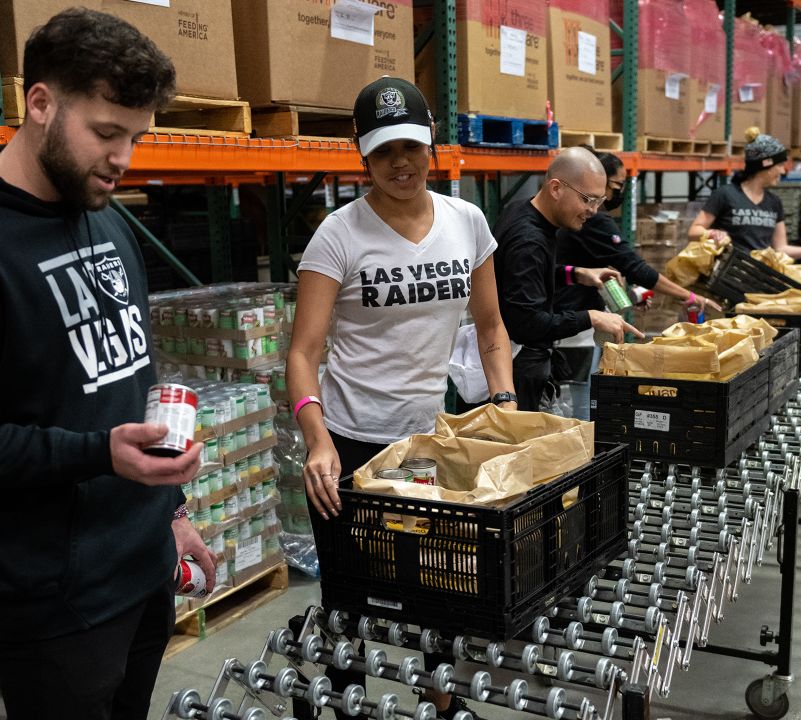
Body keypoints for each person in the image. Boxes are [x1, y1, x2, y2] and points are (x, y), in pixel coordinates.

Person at [0, 10, 213, 719]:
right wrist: (97, 455)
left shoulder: (105, 218)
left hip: (143, 565)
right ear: (39, 104)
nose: (123, 158)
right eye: (105, 132)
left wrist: (171, 512)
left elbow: (126, 383)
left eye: (136, 137)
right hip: (54, 603)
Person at [286, 76, 515, 719]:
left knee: (439, 582)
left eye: (411, 146)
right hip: (353, 443)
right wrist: (318, 441)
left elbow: (491, 326)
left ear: (430, 144)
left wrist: (502, 402)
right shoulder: (338, 236)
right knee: (354, 594)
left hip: (428, 440)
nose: (401, 164)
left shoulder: (467, 222)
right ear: (362, 153)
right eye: (385, 151)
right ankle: (338, 701)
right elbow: (302, 354)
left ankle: (440, 702)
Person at [554, 147, 721, 418]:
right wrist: (687, 296)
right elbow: (635, 267)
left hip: (577, 321)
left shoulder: (583, 221)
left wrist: (629, 294)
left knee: (581, 401)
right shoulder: (594, 221)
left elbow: (595, 270)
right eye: (617, 185)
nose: (619, 193)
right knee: (580, 407)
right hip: (572, 328)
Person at [494, 147, 644, 411]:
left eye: (598, 201)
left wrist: (575, 274)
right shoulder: (528, 240)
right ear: (556, 188)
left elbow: (526, 276)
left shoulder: (524, 211)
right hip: (518, 373)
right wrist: (591, 317)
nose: (593, 211)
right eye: (588, 200)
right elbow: (527, 324)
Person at [688, 128, 801, 259]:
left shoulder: (774, 202)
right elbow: (694, 230)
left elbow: (781, 249)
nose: (782, 170)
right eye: (780, 165)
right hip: (727, 274)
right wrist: (711, 233)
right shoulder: (725, 194)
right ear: (765, 165)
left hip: (759, 276)